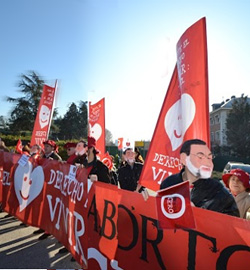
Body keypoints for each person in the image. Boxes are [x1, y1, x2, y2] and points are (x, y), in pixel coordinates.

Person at [160, 139, 239, 217]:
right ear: (184, 159)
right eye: (200, 157)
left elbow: (232, 224)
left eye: (209, 157)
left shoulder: (219, 192)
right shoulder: (168, 184)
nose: (207, 163)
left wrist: (198, 214)